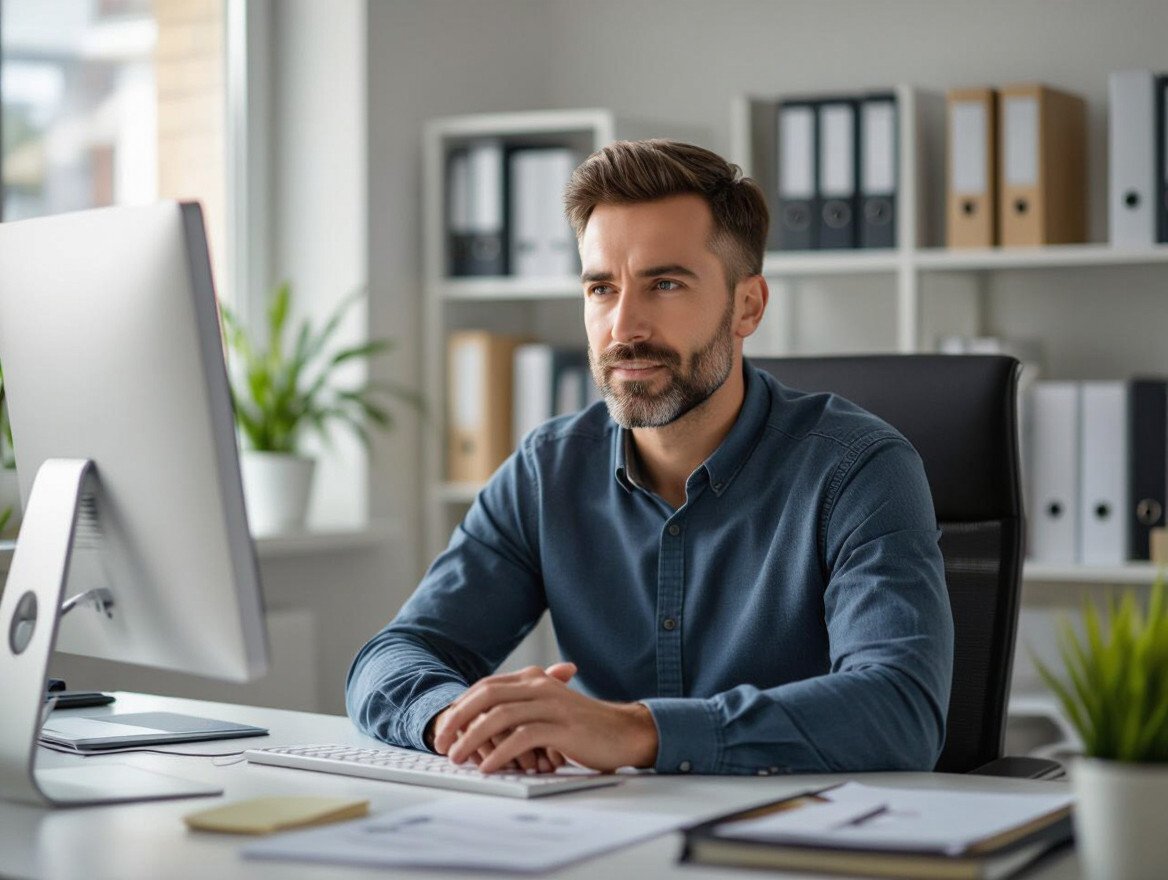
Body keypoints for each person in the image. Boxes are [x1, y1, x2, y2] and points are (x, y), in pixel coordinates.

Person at [346, 139, 953, 776]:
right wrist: (461, 718)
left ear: (748, 306)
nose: (624, 326)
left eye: (664, 284)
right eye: (602, 288)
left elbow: (900, 708)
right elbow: (396, 655)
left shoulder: (858, 468)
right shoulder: (546, 470)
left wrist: (640, 732)